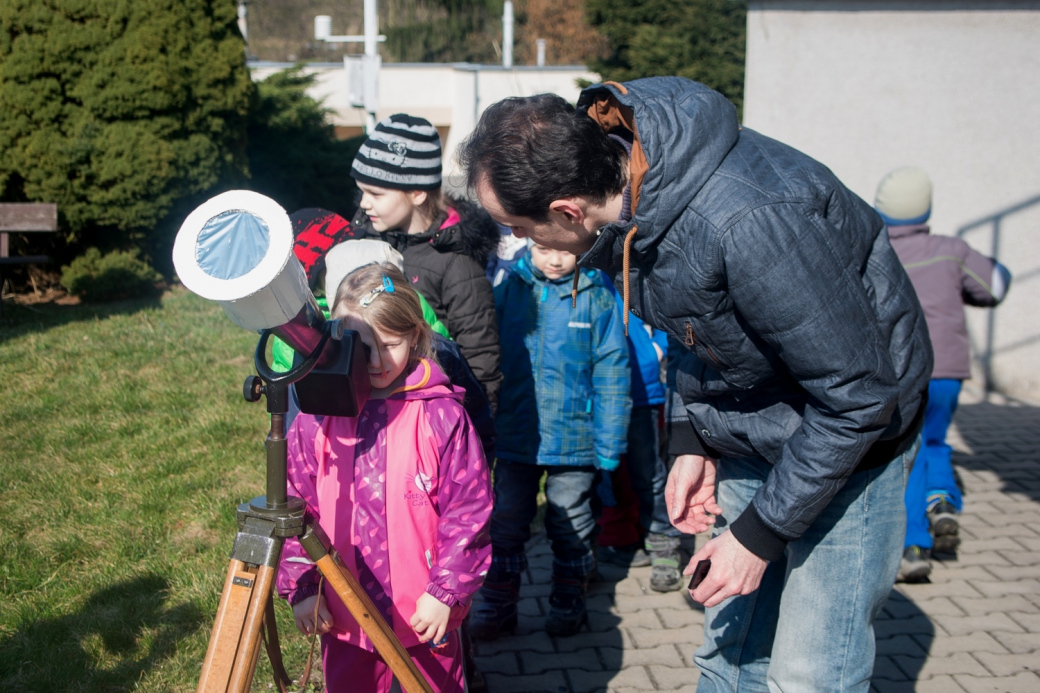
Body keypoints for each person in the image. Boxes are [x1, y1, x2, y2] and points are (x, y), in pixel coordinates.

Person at [459, 78, 931, 691]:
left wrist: (759, 535)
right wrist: (689, 438)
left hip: (851, 442)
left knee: (810, 674)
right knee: (731, 655)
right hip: (764, 415)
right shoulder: (628, 204)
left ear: (567, 210)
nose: (519, 243)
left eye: (519, 227)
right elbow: (693, 328)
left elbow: (857, 396)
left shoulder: (750, 220)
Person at [275, 263, 493, 693]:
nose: (375, 362)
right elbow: (294, 506)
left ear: (414, 335)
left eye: (389, 345)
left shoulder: (441, 415)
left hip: (426, 612)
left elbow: (468, 512)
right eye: (360, 346)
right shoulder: (315, 420)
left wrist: (446, 592)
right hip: (342, 609)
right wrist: (303, 587)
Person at [469, 242, 631, 639]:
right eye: (544, 249)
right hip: (516, 435)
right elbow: (486, 353)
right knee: (505, 522)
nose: (555, 259)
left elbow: (613, 373)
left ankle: (567, 599)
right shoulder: (510, 289)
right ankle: (498, 603)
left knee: (570, 523)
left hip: (575, 440)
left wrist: (609, 447)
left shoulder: (597, 297)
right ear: (529, 244)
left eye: (564, 251)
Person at [875, 166, 1012, 582]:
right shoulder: (952, 249)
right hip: (947, 369)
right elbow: (995, 287)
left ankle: (914, 543)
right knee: (934, 440)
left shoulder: (872, 247)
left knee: (908, 449)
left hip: (899, 370)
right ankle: (943, 500)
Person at [351, 113, 503, 411]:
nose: (363, 203)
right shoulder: (363, 247)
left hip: (432, 423)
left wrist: (475, 440)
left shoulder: (455, 261)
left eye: (376, 193)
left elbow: (480, 360)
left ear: (418, 193)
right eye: (361, 190)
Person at [595, 288, 684, 593]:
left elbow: (668, 316)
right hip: (595, 395)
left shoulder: (633, 270)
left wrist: (655, 352)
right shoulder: (583, 275)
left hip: (639, 392)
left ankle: (663, 544)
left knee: (648, 473)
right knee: (607, 475)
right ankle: (620, 542)